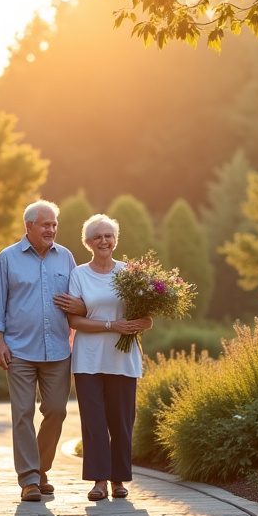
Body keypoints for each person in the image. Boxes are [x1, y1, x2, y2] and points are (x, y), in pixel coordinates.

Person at [0, 200, 86, 502]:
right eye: (46, 224)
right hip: (19, 350)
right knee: (23, 413)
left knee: (56, 410)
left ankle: (40, 469)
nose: (51, 229)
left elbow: (80, 298)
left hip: (57, 348)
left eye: (54, 225)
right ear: (29, 227)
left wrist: (81, 307)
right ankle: (29, 480)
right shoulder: (7, 258)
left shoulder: (65, 257)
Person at [66, 214, 151, 501]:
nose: (103, 240)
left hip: (122, 359)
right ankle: (99, 481)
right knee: (94, 422)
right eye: (97, 237)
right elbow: (74, 321)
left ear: (115, 240)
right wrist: (111, 325)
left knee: (122, 421)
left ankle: (119, 480)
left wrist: (138, 324)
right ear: (88, 243)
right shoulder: (78, 275)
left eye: (108, 236)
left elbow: (147, 319)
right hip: (88, 359)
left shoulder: (130, 273)